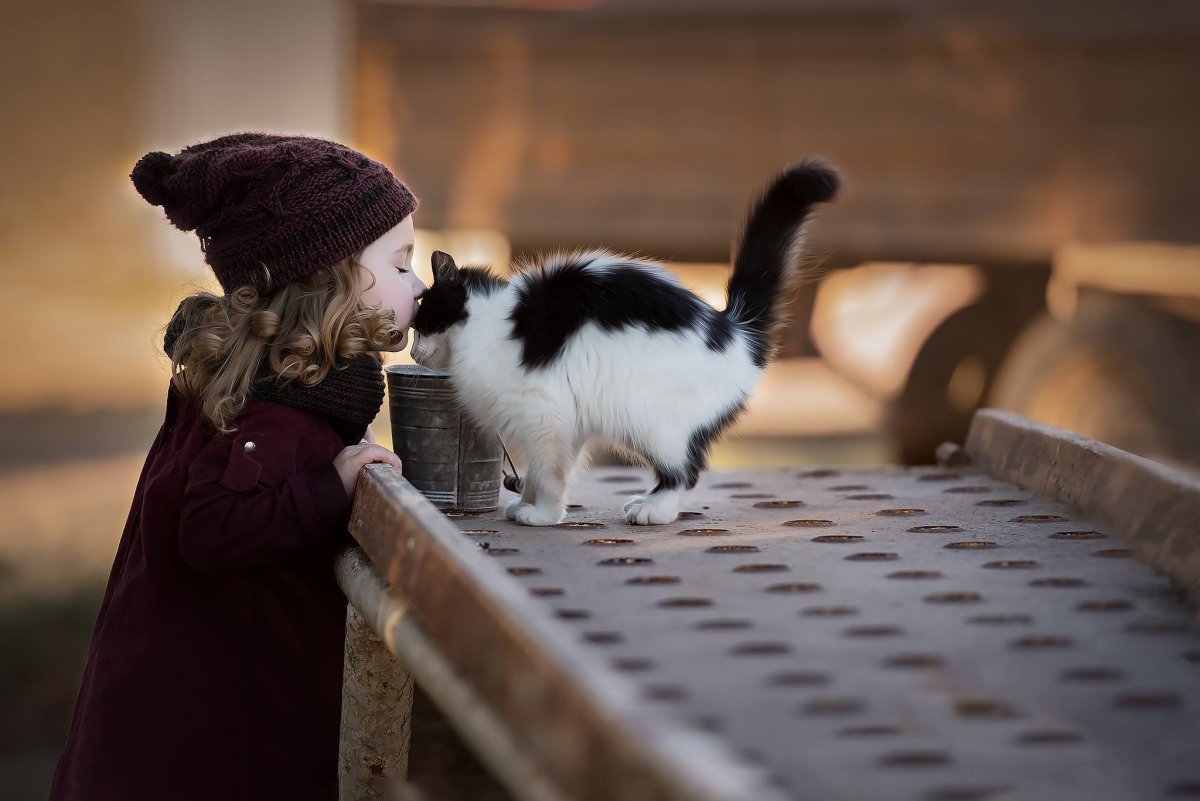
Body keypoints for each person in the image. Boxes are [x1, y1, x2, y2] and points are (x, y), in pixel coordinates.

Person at [49, 132, 427, 801]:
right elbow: (212, 525)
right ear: (330, 275)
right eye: (401, 265)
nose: (418, 285)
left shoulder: (269, 381)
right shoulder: (273, 407)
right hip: (212, 735)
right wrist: (332, 487)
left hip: (187, 707)